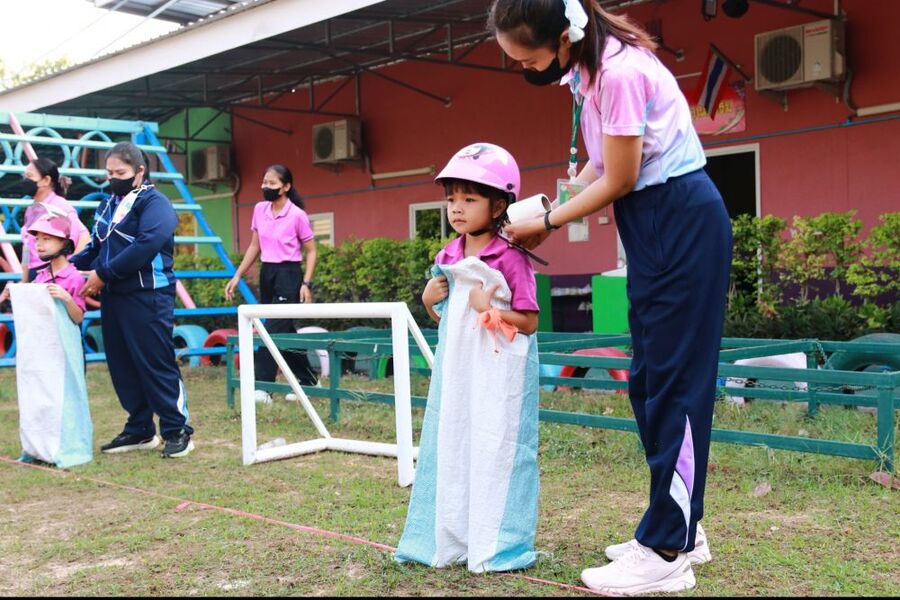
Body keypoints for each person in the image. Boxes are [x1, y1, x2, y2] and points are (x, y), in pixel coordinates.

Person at [490, 0, 731, 594]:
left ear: (562, 37)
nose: (524, 69)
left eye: (527, 58)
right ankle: (684, 525)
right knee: (648, 380)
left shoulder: (620, 73)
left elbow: (621, 177)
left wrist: (549, 222)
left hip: (676, 218)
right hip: (649, 223)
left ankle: (667, 549)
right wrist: (543, 208)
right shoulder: (589, 73)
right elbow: (601, 167)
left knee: (675, 384)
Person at [394, 143, 541, 573]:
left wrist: (489, 308)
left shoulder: (512, 257)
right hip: (458, 372)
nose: (456, 208)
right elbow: (449, 319)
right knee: (454, 442)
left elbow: (529, 322)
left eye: (469, 199)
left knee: (496, 446)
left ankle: (496, 542)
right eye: (451, 199)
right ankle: (453, 536)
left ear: (498, 206)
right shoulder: (448, 256)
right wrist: (428, 301)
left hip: (499, 374)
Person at [71, 141, 194, 459]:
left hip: (148, 295)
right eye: (109, 173)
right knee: (122, 365)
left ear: (140, 171)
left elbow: (146, 245)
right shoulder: (107, 205)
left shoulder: (156, 204)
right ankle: (140, 429)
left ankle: (176, 430)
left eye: (120, 173)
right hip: (114, 296)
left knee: (155, 362)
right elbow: (96, 247)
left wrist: (103, 274)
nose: (113, 178)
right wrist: (68, 267)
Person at [3, 213, 93, 468]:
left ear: (64, 243)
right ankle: (37, 446)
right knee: (38, 394)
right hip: (41, 351)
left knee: (66, 397)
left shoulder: (74, 277)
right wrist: (14, 292)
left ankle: (68, 446)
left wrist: (66, 297)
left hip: (64, 352)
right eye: (37, 239)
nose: (39, 245)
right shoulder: (40, 276)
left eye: (47, 239)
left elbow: (78, 318)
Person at [225, 165, 318, 404]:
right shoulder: (259, 209)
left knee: (272, 330)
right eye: (264, 182)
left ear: (286, 187)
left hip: (289, 274)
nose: (266, 187)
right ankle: (309, 381)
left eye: (272, 183)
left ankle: (262, 386)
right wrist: (237, 275)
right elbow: (254, 246)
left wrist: (306, 283)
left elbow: (311, 251)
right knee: (284, 331)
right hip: (268, 273)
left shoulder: (297, 215)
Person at [20, 157, 90, 282]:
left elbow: (84, 237)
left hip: (52, 274)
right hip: (35, 273)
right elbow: (27, 247)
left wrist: (66, 270)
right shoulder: (31, 209)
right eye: (24, 176)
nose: (25, 180)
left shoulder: (59, 206)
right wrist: (24, 280)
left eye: (29, 176)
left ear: (46, 180)